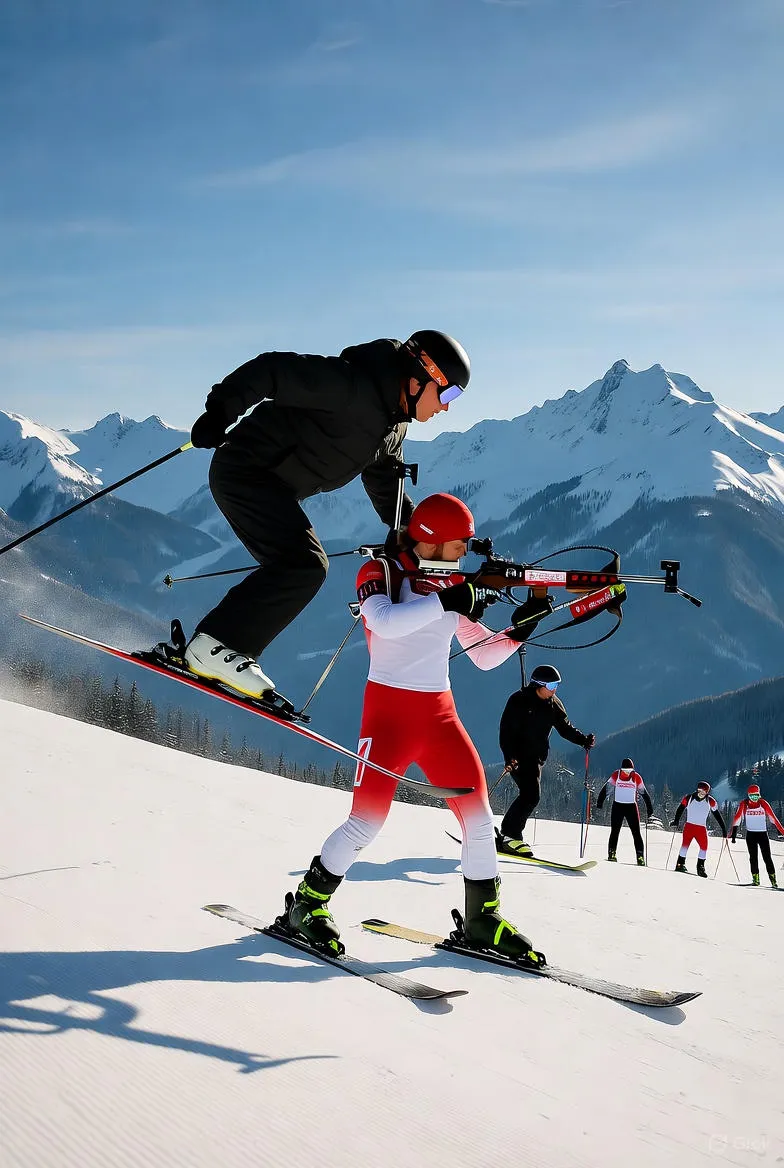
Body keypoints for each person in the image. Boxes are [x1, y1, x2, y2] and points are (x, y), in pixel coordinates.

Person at [280, 493, 543, 961]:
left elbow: (482, 656)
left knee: (480, 822)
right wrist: (451, 599)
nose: (465, 551)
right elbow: (382, 622)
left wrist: (520, 629)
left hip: (439, 715)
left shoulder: (450, 584)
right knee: (366, 822)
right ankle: (307, 904)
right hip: (388, 716)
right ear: (434, 541)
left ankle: (481, 920)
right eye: (459, 542)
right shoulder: (381, 573)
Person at [184, 330, 471, 698]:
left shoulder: (394, 423)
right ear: (418, 379)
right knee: (303, 564)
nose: (446, 407)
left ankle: (218, 646)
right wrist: (220, 410)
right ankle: (214, 646)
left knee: (301, 565)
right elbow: (273, 370)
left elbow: (384, 477)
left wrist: (412, 533)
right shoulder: (350, 385)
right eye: (447, 394)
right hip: (245, 471)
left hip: (277, 488)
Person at [497, 665, 595, 857]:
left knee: (530, 795)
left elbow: (565, 728)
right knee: (531, 795)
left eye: (557, 684)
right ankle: (510, 835)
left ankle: (507, 834)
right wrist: (509, 757)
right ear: (538, 684)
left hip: (536, 758)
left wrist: (583, 740)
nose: (555, 688)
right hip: (517, 757)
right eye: (551, 684)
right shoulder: (519, 701)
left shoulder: (553, 703)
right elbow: (505, 732)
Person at [596, 758, 653, 865]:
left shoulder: (636, 777)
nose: (626, 772)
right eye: (625, 770)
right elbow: (606, 788)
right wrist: (600, 802)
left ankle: (640, 857)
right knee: (615, 831)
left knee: (636, 833)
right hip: (617, 807)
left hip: (631, 808)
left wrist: (649, 808)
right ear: (621, 769)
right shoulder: (616, 775)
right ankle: (611, 853)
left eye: (629, 770)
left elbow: (644, 793)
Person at [730, 784, 784, 887]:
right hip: (751, 835)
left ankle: (773, 881)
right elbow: (737, 819)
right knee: (753, 858)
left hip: (762, 834)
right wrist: (733, 835)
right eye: (752, 796)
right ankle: (756, 880)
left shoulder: (763, 803)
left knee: (767, 857)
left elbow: (773, 819)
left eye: (756, 795)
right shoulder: (744, 804)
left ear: (759, 795)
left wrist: (782, 831)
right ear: (748, 795)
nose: (754, 798)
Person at [671, 781, 727, 877]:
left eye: (704, 792)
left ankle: (700, 867)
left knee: (704, 847)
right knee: (685, 845)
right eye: (699, 791)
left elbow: (717, 815)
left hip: (701, 828)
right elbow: (680, 809)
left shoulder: (710, 801)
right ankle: (680, 864)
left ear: (707, 792)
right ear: (697, 790)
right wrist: (676, 821)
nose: (701, 793)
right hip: (689, 826)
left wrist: (723, 828)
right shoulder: (689, 798)